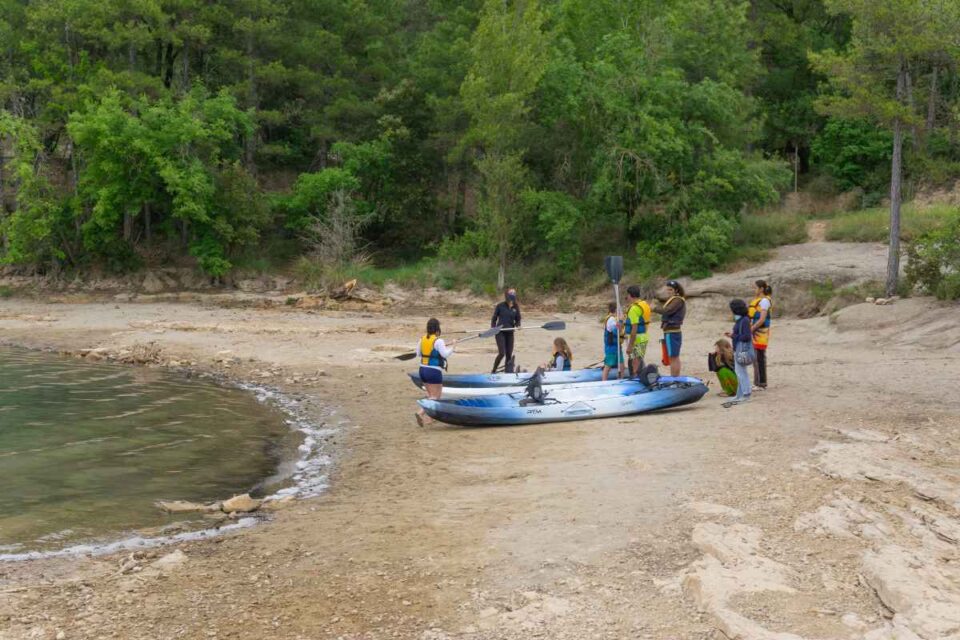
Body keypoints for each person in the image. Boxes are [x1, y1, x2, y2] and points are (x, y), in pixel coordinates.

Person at [415, 318, 457, 426]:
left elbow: (418, 354)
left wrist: (438, 348)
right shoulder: (438, 341)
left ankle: (430, 418)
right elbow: (445, 355)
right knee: (436, 396)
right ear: (437, 328)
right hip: (433, 371)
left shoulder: (422, 339)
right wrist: (453, 345)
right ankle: (420, 413)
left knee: (430, 395)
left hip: (422, 370)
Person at [724, 299, 753, 407]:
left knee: (741, 373)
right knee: (739, 372)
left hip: (741, 349)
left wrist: (733, 336)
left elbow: (746, 336)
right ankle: (740, 394)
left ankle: (746, 394)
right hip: (738, 349)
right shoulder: (742, 320)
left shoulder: (744, 320)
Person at [655, 280, 686, 377]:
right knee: (674, 357)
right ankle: (675, 378)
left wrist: (654, 308)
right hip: (672, 332)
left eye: (671, 290)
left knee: (673, 357)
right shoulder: (675, 300)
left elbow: (668, 311)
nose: (668, 291)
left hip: (672, 332)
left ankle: (674, 379)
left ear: (676, 290)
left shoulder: (677, 300)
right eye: (668, 289)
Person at [748, 279, 773, 389]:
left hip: (760, 333)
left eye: (755, 287)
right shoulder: (759, 300)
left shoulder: (764, 301)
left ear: (761, 289)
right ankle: (757, 383)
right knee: (756, 358)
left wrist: (751, 329)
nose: (753, 290)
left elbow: (762, 319)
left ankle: (761, 383)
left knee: (759, 358)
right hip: (755, 333)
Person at [623, 285, 652, 377]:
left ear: (630, 295)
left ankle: (636, 379)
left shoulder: (634, 308)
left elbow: (634, 329)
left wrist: (630, 346)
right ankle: (639, 376)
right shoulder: (644, 304)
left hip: (637, 340)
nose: (626, 297)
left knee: (635, 364)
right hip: (644, 337)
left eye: (627, 295)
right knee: (638, 360)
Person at [491, 287, 521, 373]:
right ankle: (493, 370)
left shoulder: (516, 307)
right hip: (500, 332)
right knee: (502, 353)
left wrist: (518, 325)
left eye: (513, 295)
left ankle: (507, 372)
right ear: (506, 296)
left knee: (509, 354)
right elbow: (494, 318)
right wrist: (493, 328)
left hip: (510, 332)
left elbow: (518, 319)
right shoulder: (500, 306)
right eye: (510, 295)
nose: (512, 298)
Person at [601, 302, 624, 381]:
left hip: (617, 345)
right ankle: (604, 381)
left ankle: (621, 379)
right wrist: (621, 321)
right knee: (608, 365)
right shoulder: (611, 319)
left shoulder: (614, 318)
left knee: (621, 364)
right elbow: (617, 331)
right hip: (611, 347)